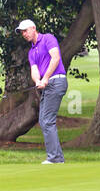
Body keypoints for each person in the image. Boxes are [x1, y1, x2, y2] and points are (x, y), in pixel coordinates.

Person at [16, 19, 67, 164]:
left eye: (26, 30)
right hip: (48, 84)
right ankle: (56, 156)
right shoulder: (31, 52)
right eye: (22, 32)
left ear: (33, 28)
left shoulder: (48, 39)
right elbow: (34, 70)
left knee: (47, 120)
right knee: (43, 120)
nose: (24, 34)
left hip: (56, 81)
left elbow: (56, 58)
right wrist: (38, 81)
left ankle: (55, 158)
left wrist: (46, 78)